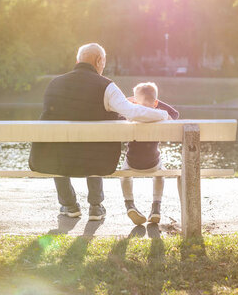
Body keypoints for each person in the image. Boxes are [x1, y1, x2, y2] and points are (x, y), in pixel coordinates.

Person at [29, 43, 170, 221]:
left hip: (57, 159)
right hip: (94, 160)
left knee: (58, 146)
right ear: (99, 61)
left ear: (77, 60)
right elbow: (133, 112)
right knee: (93, 148)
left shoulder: (54, 84)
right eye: (103, 62)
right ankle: (95, 206)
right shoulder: (107, 87)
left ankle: (69, 205)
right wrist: (163, 114)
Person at [120, 82, 179, 225]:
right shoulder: (160, 115)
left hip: (132, 162)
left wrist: (130, 100)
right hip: (153, 163)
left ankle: (129, 204)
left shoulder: (131, 116)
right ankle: (156, 207)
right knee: (161, 172)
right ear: (156, 102)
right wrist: (154, 102)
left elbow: (116, 113)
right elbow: (175, 114)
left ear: (135, 101)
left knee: (123, 172)